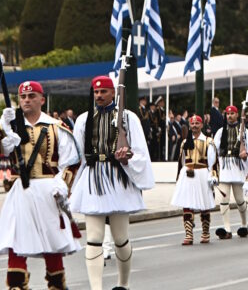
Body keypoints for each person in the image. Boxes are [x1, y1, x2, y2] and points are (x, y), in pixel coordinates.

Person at [70, 76, 155, 290]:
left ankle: (123, 284)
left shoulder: (128, 118)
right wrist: (69, 184)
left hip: (118, 179)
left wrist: (128, 157)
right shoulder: (83, 120)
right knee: (94, 237)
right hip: (93, 178)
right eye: (96, 92)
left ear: (113, 93)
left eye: (103, 92)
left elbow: (141, 151)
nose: (98, 95)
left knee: (120, 238)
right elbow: (76, 156)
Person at [0, 81, 81, 289]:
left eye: (31, 96)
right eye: (23, 97)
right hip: (21, 192)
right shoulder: (13, 126)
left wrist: (63, 185)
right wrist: (3, 129)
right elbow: (4, 151)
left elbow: (71, 161)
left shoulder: (56, 127)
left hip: (48, 190)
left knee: (51, 240)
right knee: (17, 239)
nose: (26, 100)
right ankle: (16, 284)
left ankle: (56, 284)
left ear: (42, 100)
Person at [171, 115, 218, 245]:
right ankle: (188, 234)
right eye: (192, 124)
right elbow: (181, 161)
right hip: (188, 173)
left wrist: (213, 175)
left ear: (202, 125)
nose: (195, 126)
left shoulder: (209, 141)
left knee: (204, 204)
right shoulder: (185, 142)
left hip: (202, 173)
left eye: (197, 123)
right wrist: (179, 176)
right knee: (187, 204)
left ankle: (205, 232)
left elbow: (212, 161)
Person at [213, 105, 248, 239]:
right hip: (224, 167)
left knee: (240, 200)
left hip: (238, 168)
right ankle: (227, 228)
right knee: (224, 199)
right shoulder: (220, 132)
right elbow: (214, 150)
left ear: (237, 115)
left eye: (232, 113)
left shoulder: (245, 132)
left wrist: (245, 155)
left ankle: (244, 224)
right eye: (228, 114)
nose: (229, 116)